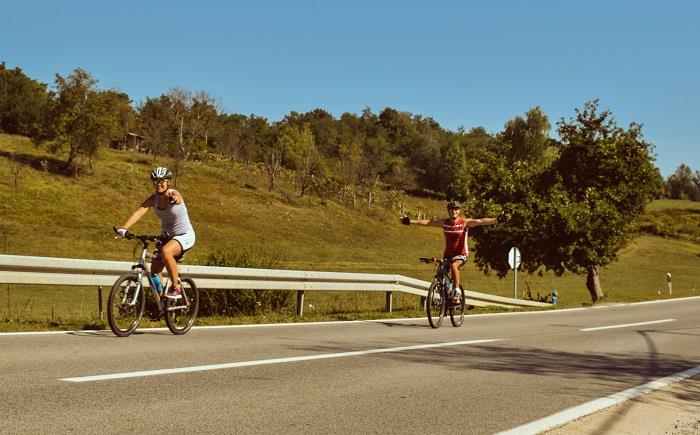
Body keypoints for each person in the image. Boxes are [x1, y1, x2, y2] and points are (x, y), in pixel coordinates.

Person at [401, 200, 509, 303]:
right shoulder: (445, 223)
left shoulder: (464, 223)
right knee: (439, 275)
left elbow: (481, 221)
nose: (454, 211)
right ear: (448, 211)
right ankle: (447, 296)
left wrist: (497, 219)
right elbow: (428, 222)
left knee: (454, 265)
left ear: (459, 211)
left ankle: (457, 291)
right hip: (448, 255)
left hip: (461, 254)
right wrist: (410, 221)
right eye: (452, 209)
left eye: (456, 209)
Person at [115, 166, 195, 299]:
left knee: (166, 252)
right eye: (156, 180)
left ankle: (177, 287)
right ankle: (162, 299)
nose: (158, 183)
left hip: (184, 235)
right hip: (167, 237)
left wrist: (174, 199)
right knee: (154, 271)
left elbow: (177, 197)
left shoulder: (172, 193)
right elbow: (140, 210)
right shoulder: (154, 199)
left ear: (168, 182)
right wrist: (124, 228)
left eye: (162, 180)